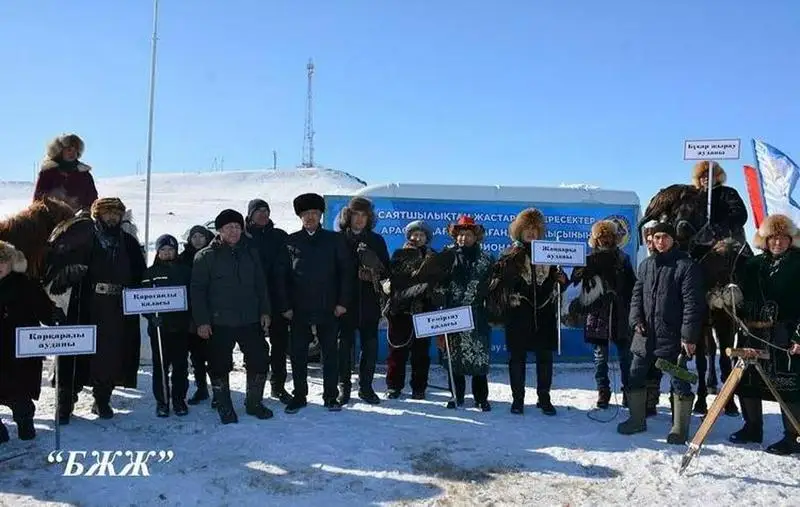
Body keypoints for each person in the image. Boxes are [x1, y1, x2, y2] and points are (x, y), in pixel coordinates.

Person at [45, 197, 146, 423]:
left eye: (116, 214)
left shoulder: (129, 242)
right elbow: (57, 268)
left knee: (110, 355)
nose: (112, 217)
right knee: (73, 352)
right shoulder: (83, 239)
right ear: (97, 215)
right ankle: (65, 402)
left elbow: (140, 274)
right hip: (84, 305)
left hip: (117, 309)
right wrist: (68, 277)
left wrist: (146, 300)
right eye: (108, 213)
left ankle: (102, 399)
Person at [619, 222, 705, 444]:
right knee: (635, 374)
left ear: (673, 239)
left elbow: (693, 304)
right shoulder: (646, 265)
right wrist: (635, 320)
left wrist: (688, 337)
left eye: (665, 237)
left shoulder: (686, 266)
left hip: (673, 337)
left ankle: (679, 428)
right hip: (645, 336)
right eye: (656, 237)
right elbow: (637, 296)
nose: (660, 241)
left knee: (678, 379)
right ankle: (636, 420)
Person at [191, 209, 273, 424]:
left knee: (259, 358)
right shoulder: (205, 256)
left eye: (237, 227)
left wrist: (265, 311)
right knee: (218, 363)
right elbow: (197, 292)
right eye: (229, 228)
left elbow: (261, 285)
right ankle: (224, 405)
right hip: (219, 321)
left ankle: (254, 403)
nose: (234, 231)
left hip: (250, 318)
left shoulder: (251, 252)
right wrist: (202, 321)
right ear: (220, 230)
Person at [729, 214, 800, 455]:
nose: (777, 243)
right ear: (765, 240)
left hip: (786, 335)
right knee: (747, 381)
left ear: (791, 239)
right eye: (772, 238)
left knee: (789, 388)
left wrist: (799, 337)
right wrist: (731, 299)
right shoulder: (753, 265)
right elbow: (742, 293)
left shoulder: (798, 263)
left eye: (782, 238)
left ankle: (793, 437)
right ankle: (752, 428)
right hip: (753, 332)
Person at [487, 208, 566, 415]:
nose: (531, 232)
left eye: (535, 229)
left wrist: (562, 280)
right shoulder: (509, 254)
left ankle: (544, 398)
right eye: (527, 228)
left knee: (545, 358)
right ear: (519, 231)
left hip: (545, 314)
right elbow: (498, 284)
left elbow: (556, 285)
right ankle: (518, 399)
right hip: (518, 314)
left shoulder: (549, 253)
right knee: (517, 358)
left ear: (540, 231)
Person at [283, 193, 353, 414]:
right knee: (298, 354)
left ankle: (330, 396)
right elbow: (282, 277)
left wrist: (342, 302)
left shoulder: (335, 240)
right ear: (300, 217)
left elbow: (346, 273)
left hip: (328, 307)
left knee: (330, 353)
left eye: (314, 213)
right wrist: (286, 306)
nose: (310, 217)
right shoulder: (291, 241)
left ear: (321, 215)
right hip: (299, 309)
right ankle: (299, 395)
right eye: (306, 214)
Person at [0, 241, 63, 443]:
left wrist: (54, 315)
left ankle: (25, 423)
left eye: (2, 261)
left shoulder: (26, 284)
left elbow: (44, 310)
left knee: (21, 397)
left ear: (12, 262)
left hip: (21, 354)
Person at [570, 220, 636, 409]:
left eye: (608, 236)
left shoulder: (623, 258)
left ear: (614, 238)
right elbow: (575, 282)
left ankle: (628, 392)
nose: (605, 240)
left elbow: (633, 285)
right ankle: (603, 392)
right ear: (595, 239)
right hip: (597, 314)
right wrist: (578, 272)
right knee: (600, 358)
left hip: (620, 313)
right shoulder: (588, 259)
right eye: (601, 237)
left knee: (625, 357)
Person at [336, 197, 390, 405]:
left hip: (369, 302)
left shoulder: (377, 240)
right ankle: (344, 387)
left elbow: (386, 272)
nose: (359, 219)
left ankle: (366, 388)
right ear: (348, 216)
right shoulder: (338, 239)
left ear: (369, 218)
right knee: (343, 347)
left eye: (364, 215)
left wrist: (374, 271)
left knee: (370, 346)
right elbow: (329, 272)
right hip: (344, 303)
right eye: (355, 215)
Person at [439, 215, 494, 410]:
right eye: (460, 234)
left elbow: (493, 286)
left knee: (479, 357)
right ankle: (456, 396)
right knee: (453, 358)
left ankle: (481, 398)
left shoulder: (487, 259)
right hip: (452, 313)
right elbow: (437, 281)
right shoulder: (446, 256)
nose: (463, 238)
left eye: (468, 234)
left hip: (477, 314)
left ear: (476, 236)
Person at [244, 199, 293, 404]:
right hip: (251, 301)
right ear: (250, 215)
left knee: (279, 346)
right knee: (253, 348)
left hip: (277, 298)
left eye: (266, 210)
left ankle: (278, 386)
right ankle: (253, 390)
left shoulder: (279, 236)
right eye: (258, 211)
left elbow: (290, 268)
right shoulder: (242, 237)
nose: (263, 214)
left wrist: (287, 300)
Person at [384, 220, 439, 400]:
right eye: (415, 234)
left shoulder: (433, 256)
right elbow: (395, 278)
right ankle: (394, 386)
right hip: (401, 310)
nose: (417, 238)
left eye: (421, 235)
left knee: (421, 353)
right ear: (409, 236)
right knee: (397, 351)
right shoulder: (399, 254)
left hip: (424, 310)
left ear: (427, 238)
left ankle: (419, 387)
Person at [142, 234, 192, 418]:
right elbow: (141, 300)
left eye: (171, 249)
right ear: (158, 252)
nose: (167, 253)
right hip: (159, 328)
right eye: (163, 250)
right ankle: (162, 401)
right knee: (160, 365)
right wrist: (150, 316)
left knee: (180, 365)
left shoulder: (185, 271)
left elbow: (192, 296)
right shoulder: (150, 273)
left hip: (180, 327)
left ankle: (179, 400)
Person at [178, 225, 215, 406]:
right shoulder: (182, 258)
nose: (198, 240)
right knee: (196, 355)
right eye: (194, 237)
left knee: (215, 355)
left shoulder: (214, 255)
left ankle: (219, 391)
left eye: (201, 236)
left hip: (213, 312)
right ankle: (201, 388)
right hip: (189, 314)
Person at [33, 133, 98, 213]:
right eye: (69, 150)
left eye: (75, 150)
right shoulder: (48, 173)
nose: (72, 153)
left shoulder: (84, 175)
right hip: (51, 216)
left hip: (77, 217)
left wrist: (85, 214)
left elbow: (92, 199)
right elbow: (38, 198)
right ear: (60, 151)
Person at [691, 161, 749, 245]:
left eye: (710, 175)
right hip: (699, 241)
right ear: (698, 179)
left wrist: (719, 228)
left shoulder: (728, 192)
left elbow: (740, 214)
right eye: (703, 176)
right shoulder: (694, 197)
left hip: (727, 238)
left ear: (717, 176)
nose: (706, 178)